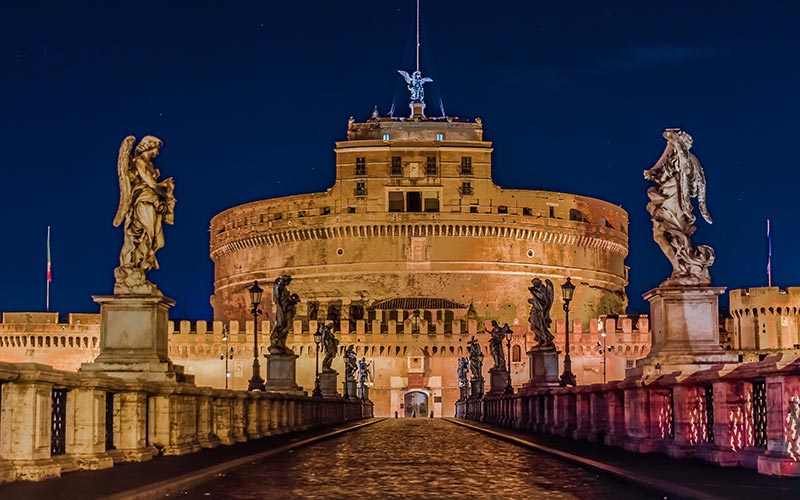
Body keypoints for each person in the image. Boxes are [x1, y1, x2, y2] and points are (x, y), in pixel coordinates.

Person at [113, 135, 175, 294]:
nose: (157, 152)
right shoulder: (139, 162)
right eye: (156, 148)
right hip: (143, 201)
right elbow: (150, 183)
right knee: (142, 235)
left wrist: (165, 188)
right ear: (150, 146)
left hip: (152, 202)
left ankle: (138, 269)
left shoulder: (149, 164)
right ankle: (130, 267)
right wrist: (164, 189)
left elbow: (152, 184)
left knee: (156, 240)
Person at [271, 275, 300, 355]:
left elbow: (286, 299)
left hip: (287, 309)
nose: (289, 283)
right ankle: (278, 339)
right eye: (288, 281)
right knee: (283, 325)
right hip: (283, 309)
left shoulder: (284, 289)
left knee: (287, 326)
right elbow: (276, 297)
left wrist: (293, 300)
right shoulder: (280, 288)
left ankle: (281, 342)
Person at [528, 278, 555, 348]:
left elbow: (544, 301)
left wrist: (533, 292)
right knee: (534, 326)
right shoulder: (537, 289)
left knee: (541, 326)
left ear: (538, 282)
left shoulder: (542, 289)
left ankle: (546, 338)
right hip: (535, 310)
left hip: (540, 311)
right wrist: (533, 300)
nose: (534, 285)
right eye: (533, 283)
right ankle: (542, 339)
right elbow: (537, 300)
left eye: (535, 283)